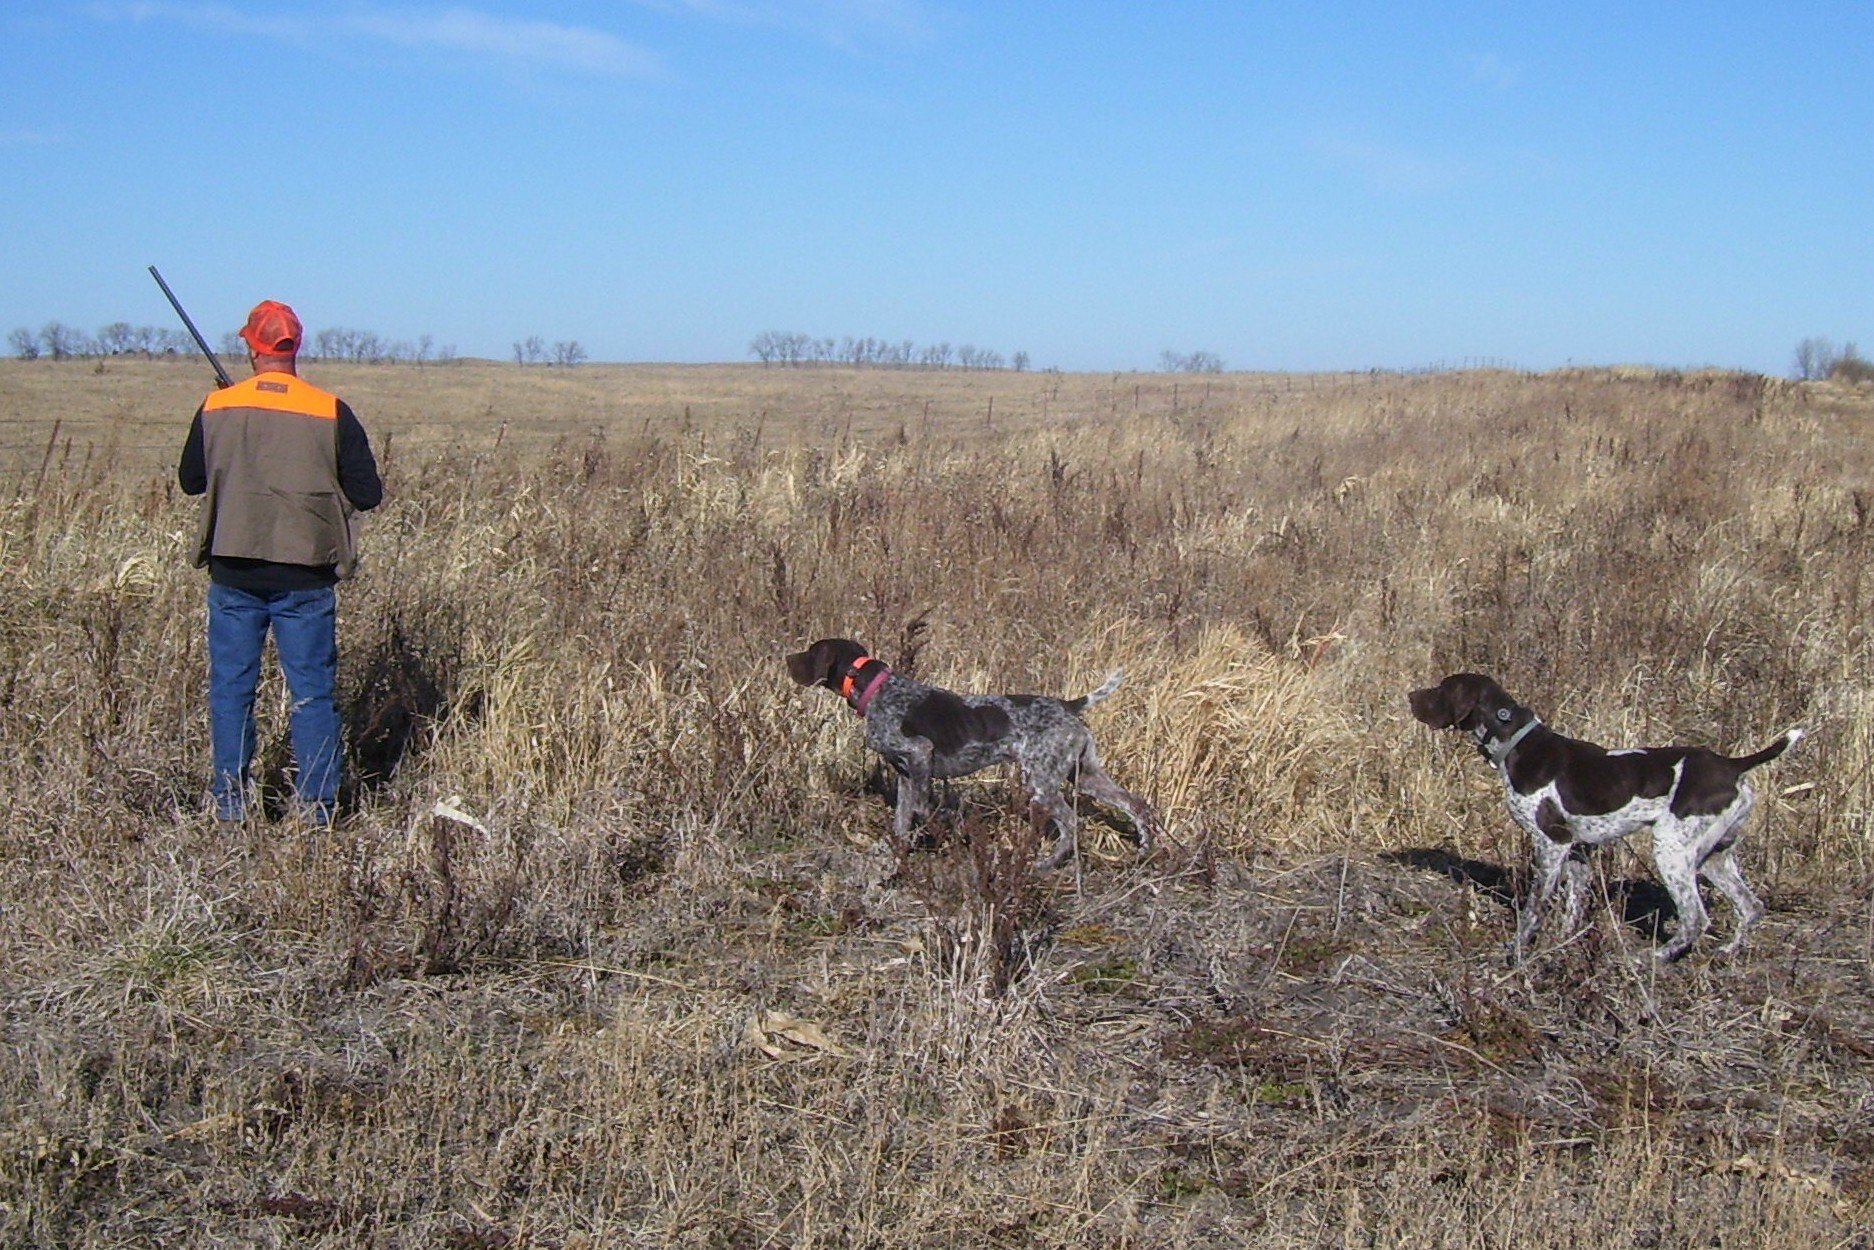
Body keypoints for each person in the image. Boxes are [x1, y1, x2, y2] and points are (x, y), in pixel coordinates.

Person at [177, 299, 382, 825]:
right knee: (312, 694)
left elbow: (191, 482)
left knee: (231, 690)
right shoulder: (330, 410)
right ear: (296, 346)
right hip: (305, 573)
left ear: (252, 348)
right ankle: (316, 812)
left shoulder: (217, 406)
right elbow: (368, 493)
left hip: (233, 570)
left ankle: (230, 806)